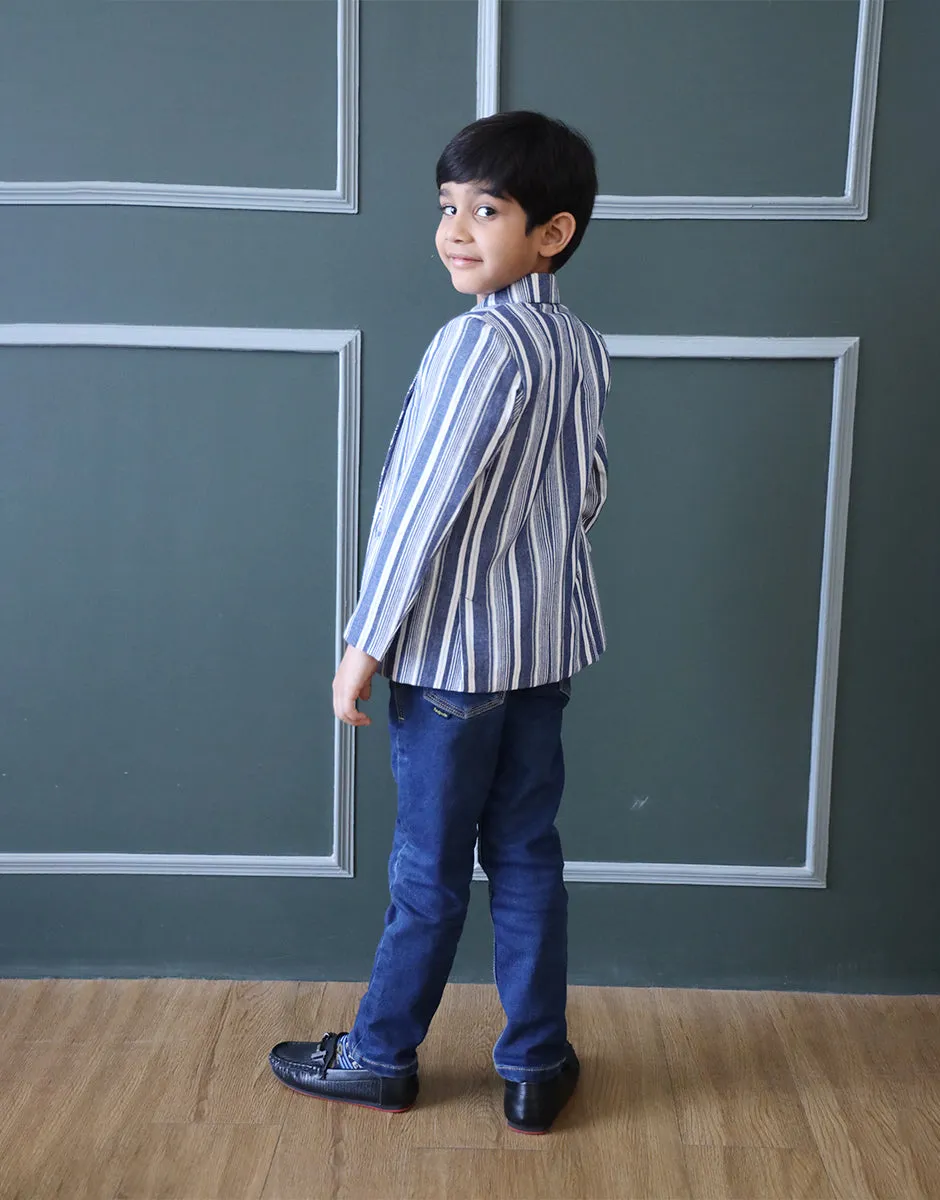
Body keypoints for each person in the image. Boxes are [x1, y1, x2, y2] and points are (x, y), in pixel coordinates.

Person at [269, 110, 610, 1136]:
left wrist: (361, 647)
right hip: (540, 652)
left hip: (453, 668)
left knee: (427, 870)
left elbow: (416, 512)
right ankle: (535, 1066)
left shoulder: (477, 343)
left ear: (550, 232)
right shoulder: (576, 343)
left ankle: (379, 1055)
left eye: (486, 210)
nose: (456, 230)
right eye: (447, 207)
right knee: (526, 856)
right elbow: (587, 489)